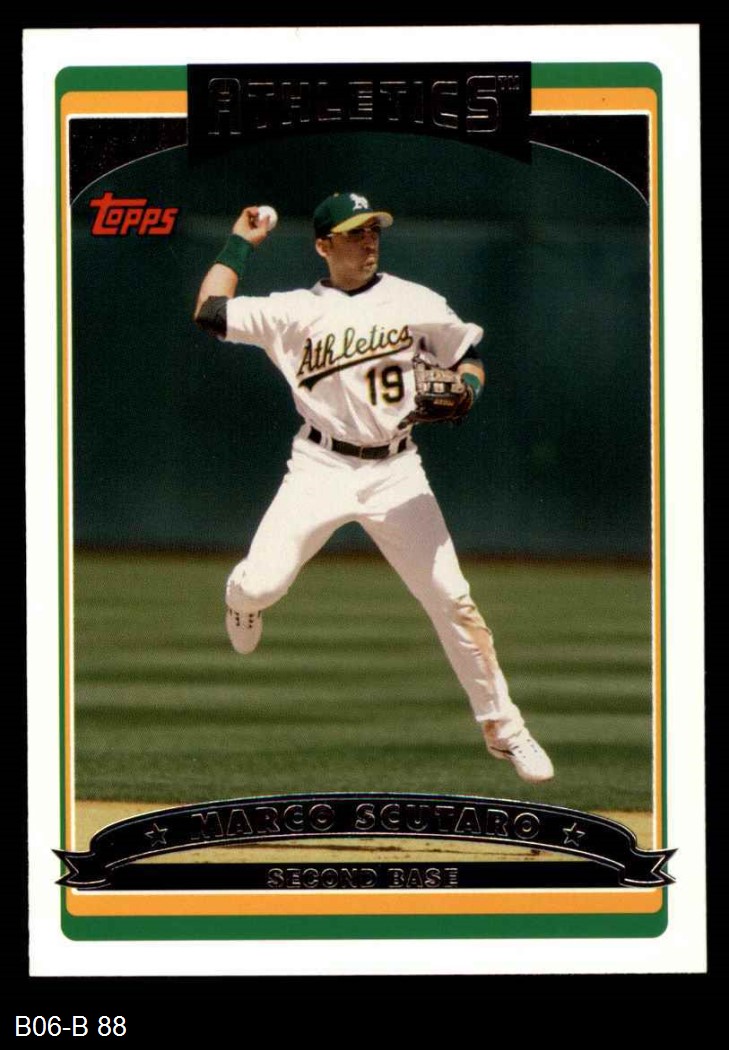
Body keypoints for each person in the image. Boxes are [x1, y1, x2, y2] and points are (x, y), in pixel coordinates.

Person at [194, 191, 553, 784]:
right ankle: (240, 599)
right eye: (355, 232)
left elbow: (470, 356)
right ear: (323, 245)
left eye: (374, 231)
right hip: (320, 466)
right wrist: (239, 242)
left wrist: (468, 390)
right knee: (261, 584)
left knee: (453, 599)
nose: (369, 241)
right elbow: (210, 311)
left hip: (397, 471)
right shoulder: (292, 311)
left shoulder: (416, 301)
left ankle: (504, 728)